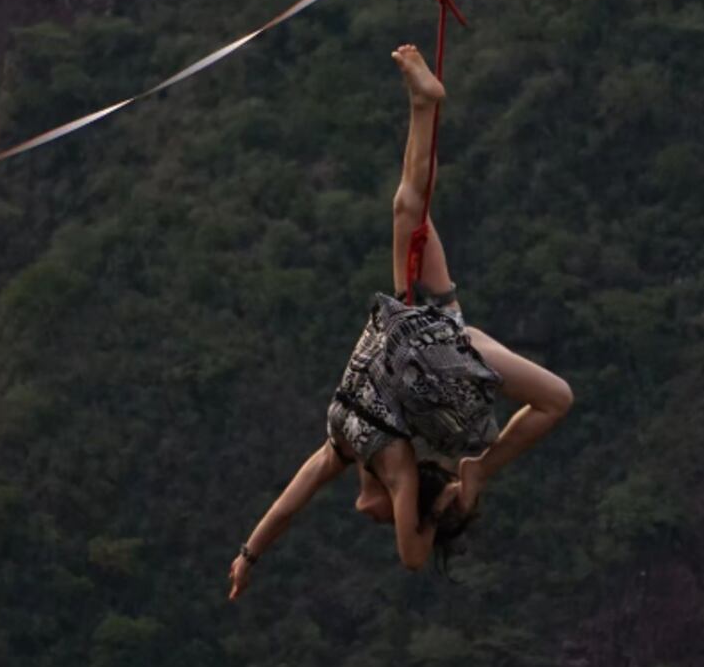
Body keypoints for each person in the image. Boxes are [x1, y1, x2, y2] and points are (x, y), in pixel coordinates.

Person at [227, 44, 572, 599]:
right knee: (557, 399)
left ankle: (424, 103)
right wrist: (457, 491)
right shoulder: (400, 472)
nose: (373, 518)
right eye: (389, 521)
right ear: (405, 507)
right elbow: (413, 560)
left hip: (421, 325)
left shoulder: (338, 448)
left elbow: (288, 504)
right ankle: (484, 465)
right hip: (441, 348)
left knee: (408, 208)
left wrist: (249, 553)